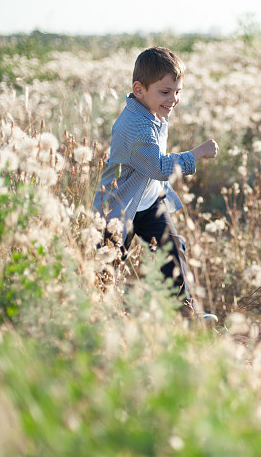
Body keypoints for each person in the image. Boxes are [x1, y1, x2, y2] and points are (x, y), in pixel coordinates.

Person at [92, 46, 219, 322]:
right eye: (165, 92)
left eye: (177, 91)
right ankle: (97, 321)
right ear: (139, 90)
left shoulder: (155, 110)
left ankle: (187, 319)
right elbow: (160, 167)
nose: (173, 99)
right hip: (117, 208)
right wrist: (195, 154)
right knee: (107, 267)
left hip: (149, 203)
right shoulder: (134, 125)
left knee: (173, 249)